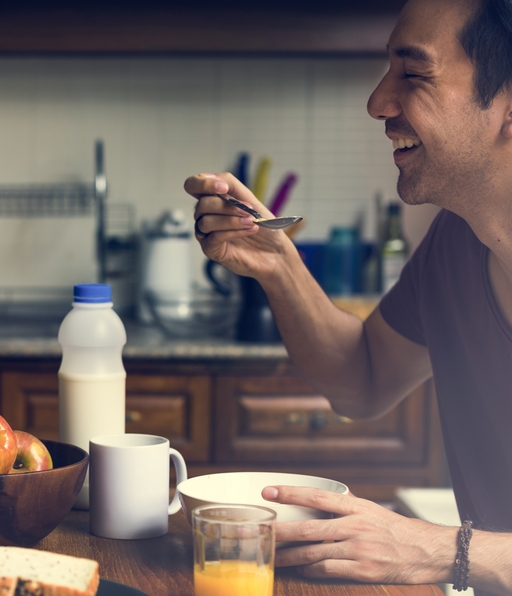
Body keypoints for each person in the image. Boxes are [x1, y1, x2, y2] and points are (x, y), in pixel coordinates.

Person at [185, 0, 512, 593]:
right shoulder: (457, 243)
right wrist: (278, 264)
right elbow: (362, 378)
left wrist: (436, 547)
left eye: (412, 74)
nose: (377, 103)